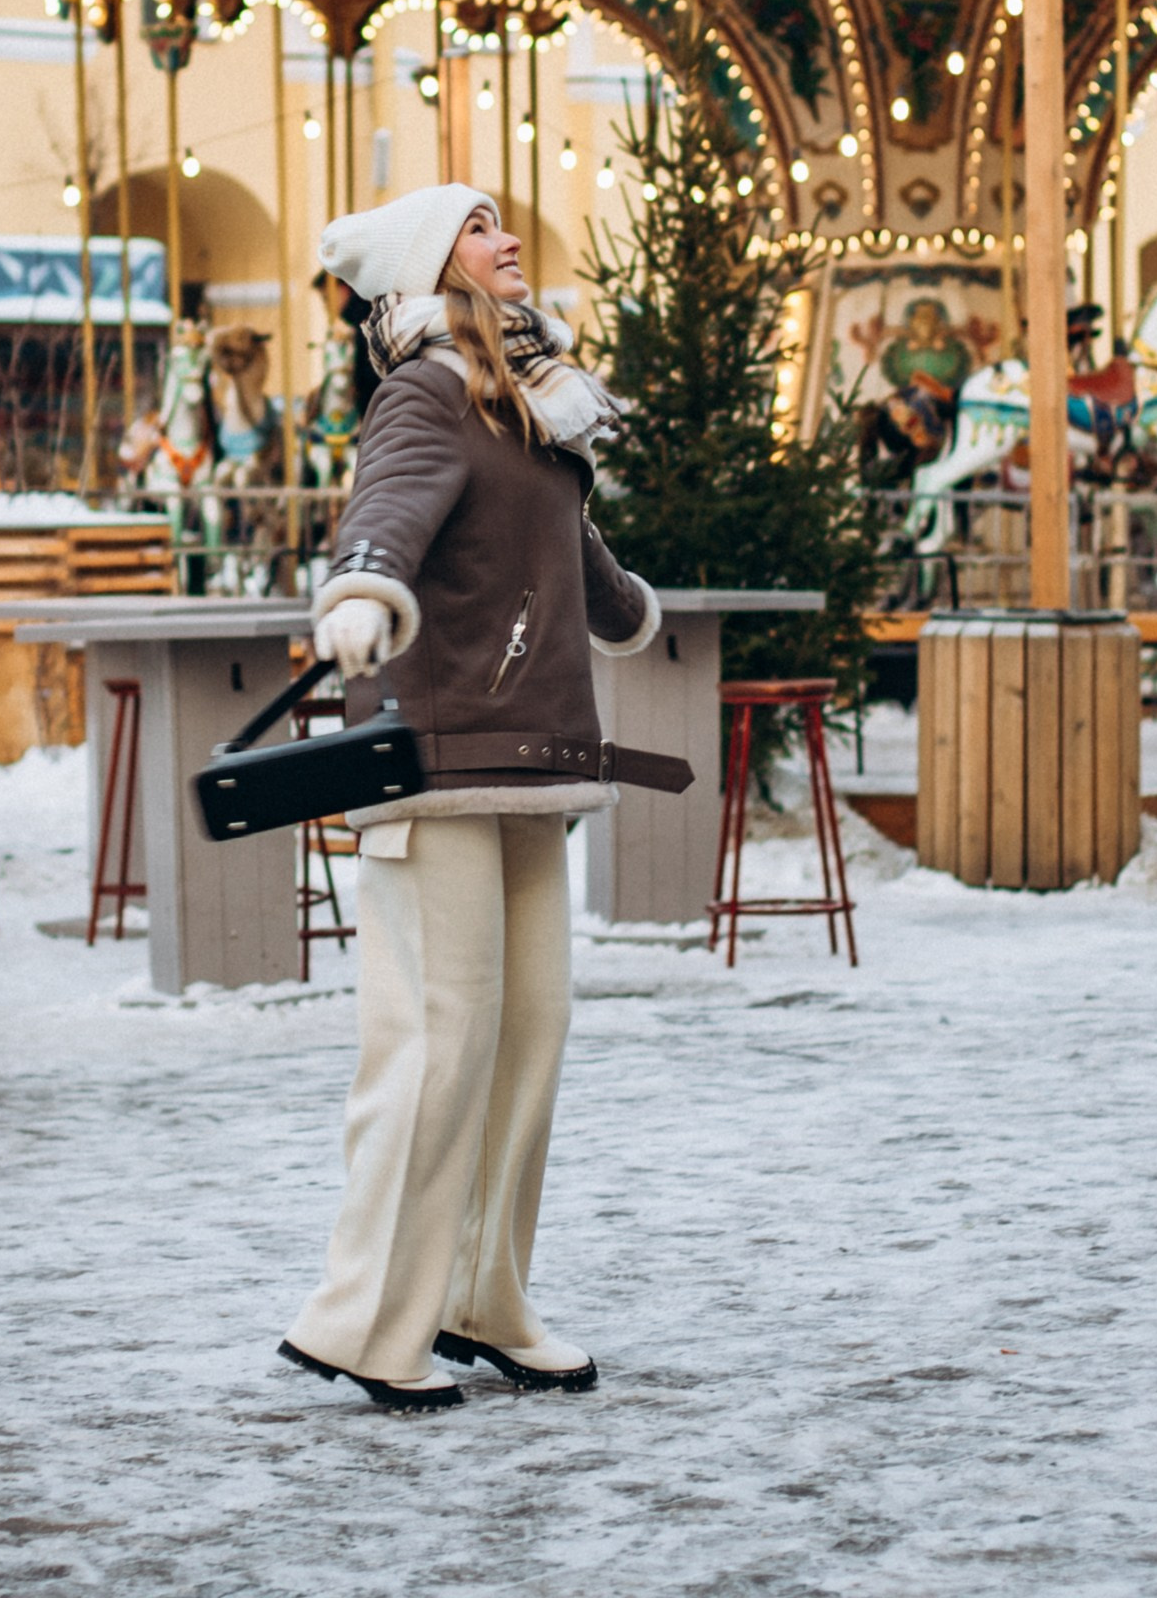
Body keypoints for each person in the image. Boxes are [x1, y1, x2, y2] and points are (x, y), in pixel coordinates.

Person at [280, 183, 664, 1414]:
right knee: (437, 1041)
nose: (510, 240)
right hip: (435, 753)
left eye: (506, 223)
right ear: (427, 264)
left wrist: (621, 605)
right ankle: (370, 1321)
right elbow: (385, 509)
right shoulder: (427, 387)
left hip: (535, 752)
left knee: (528, 1033)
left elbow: (561, 545)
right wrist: (360, 590)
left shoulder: (532, 397)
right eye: (482, 227)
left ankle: (484, 1296)